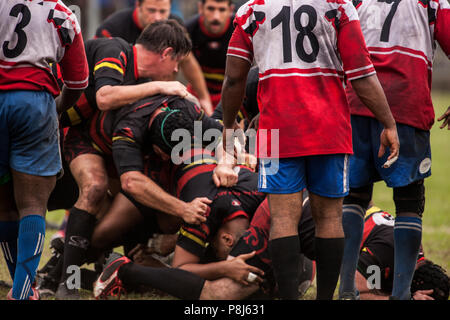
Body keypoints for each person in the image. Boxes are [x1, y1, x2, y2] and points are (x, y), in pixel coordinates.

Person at [220, 0, 400, 300]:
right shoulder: (339, 6)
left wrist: (228, 124)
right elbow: (362, 74)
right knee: (329, 218)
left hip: (278, 131)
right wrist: (389, 123)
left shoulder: (251, 10)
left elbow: (235, 77)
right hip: (328, 129)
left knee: (283, 219)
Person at [56, 20, 196, 300]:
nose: (176, 71)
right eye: (177, 62)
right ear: (166, 54)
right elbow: (105, 97)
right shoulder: (116, 50)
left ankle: (71, 267)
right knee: (94, 187)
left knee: (129, 206)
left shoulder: (142, 82)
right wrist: (162, 86)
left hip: (92, 139)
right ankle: (66, 282)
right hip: (59, 131)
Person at [93, 198, 449, 300]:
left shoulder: (404, 252)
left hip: (305, 232)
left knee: (280, 292)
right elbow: (351, 293)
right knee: (224, 296)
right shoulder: (390, 251)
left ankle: (151, 261)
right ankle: (125, 269)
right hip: (282, 219)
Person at [339, 0, 450, 300]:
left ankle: (346, 287)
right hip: (406, 104)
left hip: (358, 102)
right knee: (409, 201)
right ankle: (401, 294)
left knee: (354, 195)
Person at [0, 0, 89, 300]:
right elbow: (78, 80)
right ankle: (23, 292)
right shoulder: (61, 12)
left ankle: (22, 286)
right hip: (34, 104)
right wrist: (58, 108)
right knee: (33, 204)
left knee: (4, 202)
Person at [95, 0, 214, 115]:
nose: (157, 17)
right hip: (113, 89)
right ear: (138, 5)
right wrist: (159, 87)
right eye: (151, 10)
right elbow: (104, 95)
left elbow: (187, 60)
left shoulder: (173, 24)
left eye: (163, 11)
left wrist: (204, 98)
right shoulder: (114, 28)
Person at [185, 0, 235, 109]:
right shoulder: (187, 30)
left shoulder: (240, 30)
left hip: (232, 94)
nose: (216, 17)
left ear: (230, 10)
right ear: (200, 8)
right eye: (211, 9)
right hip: (196, 94)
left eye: (222, 9)